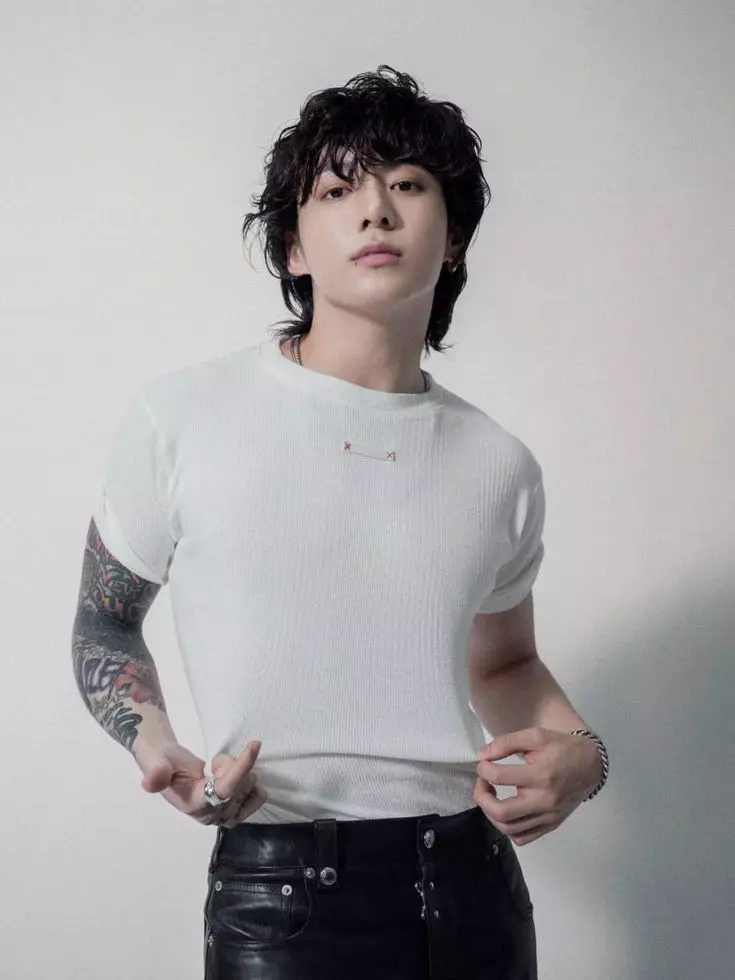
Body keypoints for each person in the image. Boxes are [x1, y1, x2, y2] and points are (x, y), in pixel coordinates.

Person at [71, 65, 608, 979]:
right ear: (292, 248)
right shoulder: (182, 418)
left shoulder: (498, 462)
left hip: (472, 886)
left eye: (408, 185)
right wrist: (156, 743)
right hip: (278, 889)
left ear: (454, 238)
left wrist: (583, 758)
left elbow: (503, 663)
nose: (375, 211)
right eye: (337, 190)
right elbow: (104, 618)